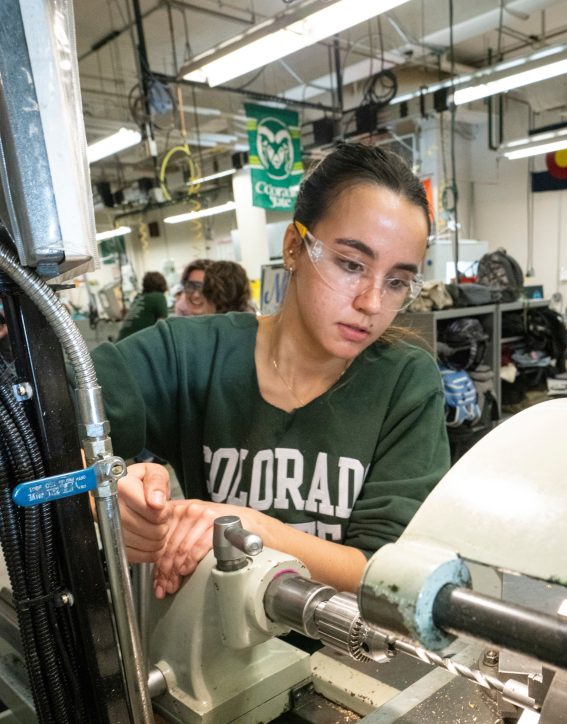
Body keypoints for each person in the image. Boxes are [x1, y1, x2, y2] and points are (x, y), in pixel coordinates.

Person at [90, 142, 450, 598]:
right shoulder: (191, 355)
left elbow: (385, 570)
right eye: (351, 264)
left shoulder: (405, 382)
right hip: (222, 640)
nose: (372, 303)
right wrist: (109, 487)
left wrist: (249, 529)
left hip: (343, 653)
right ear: (294, 247)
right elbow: (51, 415)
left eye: (397, 281)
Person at [117, 272, 168, 341]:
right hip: (133, 346)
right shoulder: (159, 297)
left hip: (119, 344)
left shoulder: (138, 297)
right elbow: (164, 329)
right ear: (162, 284)